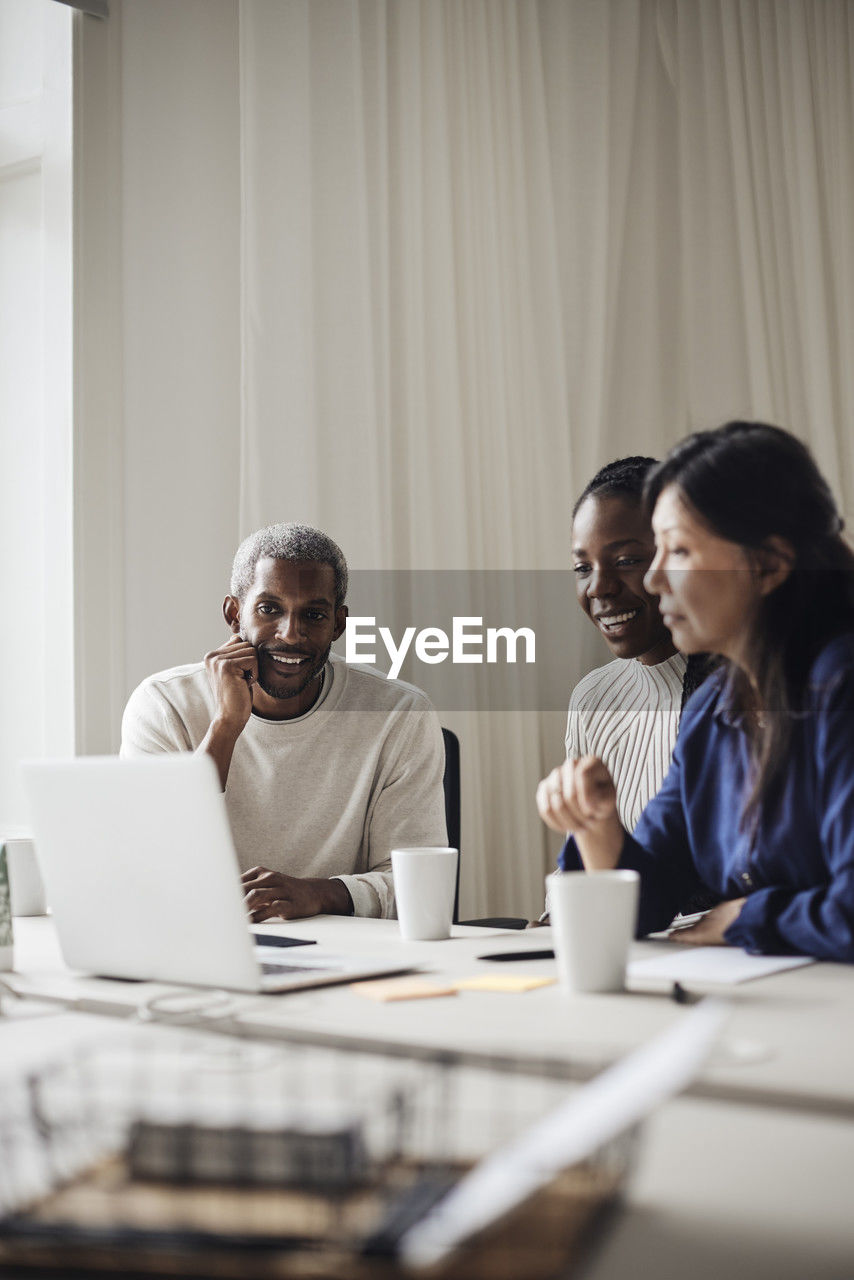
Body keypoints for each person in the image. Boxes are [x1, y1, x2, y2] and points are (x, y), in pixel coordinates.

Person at [538, 421, 854, 962]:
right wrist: (596, 825)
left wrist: (747, 917)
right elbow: (649, 898)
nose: (656, 580)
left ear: (769, 564)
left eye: (678, 551)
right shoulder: (714, 709)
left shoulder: (840, 685)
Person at [121, 523, 447, 921]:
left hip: (348, 955)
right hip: (199, 938)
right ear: (233, 614)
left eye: (313, 614)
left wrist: (316, 895)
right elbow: (147, 864)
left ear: (338, 625)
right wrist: (226, 725)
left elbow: (418, 887)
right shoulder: (164, 705)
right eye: (269, 609)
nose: (291, 634)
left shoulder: (398, 714)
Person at [567, 457, 707, 831]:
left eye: (627, 560)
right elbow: (580, 864)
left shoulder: (739, 690)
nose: (598, 587)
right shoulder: (593, 699)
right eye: (583, 568)